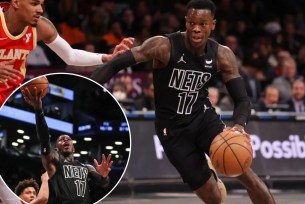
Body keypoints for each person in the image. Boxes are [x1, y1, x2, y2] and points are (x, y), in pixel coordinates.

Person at [90, 0, 276, 203]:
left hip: (204, 119)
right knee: (214, 198)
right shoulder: (163, 46)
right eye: (192, 23)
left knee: (251, 179)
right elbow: (116, 64)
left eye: (203, 24)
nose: (196, 29)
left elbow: (242, 99)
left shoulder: (223, 55)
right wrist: (85, 85)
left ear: (213, 25)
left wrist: (239, 125)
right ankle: (210, 176)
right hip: (172, 130)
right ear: (186, 22)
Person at [0, 1, 134, 106]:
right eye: (34, 4)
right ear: (16, 2)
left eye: (41, 4)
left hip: (9, 99)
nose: (40, 10)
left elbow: (70, 56)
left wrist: (107, 57)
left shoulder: (41, 27)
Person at [21, 89, 113, 204]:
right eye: (61, 139)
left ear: (73, 148)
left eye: (68, 139)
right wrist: (38, 109)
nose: (65, 140)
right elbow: (44, 139)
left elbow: (103, 184)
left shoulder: (87, 167)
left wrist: (104, 176)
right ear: (56, 149)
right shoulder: (54, 163)